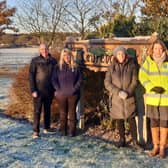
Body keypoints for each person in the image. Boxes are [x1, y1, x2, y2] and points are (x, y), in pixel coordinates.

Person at [104, 46, 141, 149]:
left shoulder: (132, 66)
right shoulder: (111, 67)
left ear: (125, 55)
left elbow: (135, 81)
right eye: (119, 54)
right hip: (117, 98)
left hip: (129, 98)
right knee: (119, 120)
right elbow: (107, 83)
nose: (121, 56)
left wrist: (128, 92)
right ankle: (122, 140)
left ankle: (135, 141)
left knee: (131, 120)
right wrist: (118, 92)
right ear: (116, 55)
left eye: (123, 54)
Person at [139, 39, 168, 158]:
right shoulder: (148, 62)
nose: (158, 51)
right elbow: (142, 77)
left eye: (160, 48)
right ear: (152, 50)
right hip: (152, 98)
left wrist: (165, 88)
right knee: (154, 123)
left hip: (166, 98)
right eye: (156, 48)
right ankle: (155, 146)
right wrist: (151, 87)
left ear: (164, 49)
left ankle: (162, 147)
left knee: (165, 123)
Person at [52, 48, 81, 137]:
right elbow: (53, 80)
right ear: (62, 57)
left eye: (68, 55)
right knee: (63, 114)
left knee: (72, 114)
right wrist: (58, 90)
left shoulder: (75, 66)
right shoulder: (57, 67)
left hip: (73, 94)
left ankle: (72, 131)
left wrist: (74, 89)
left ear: (70, 56)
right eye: (64, 55)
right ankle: (63, 131)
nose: (66, 57)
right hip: (61, 95)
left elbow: (80, 80)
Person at [29, 44, 57, 138]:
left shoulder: (53, 61)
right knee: (37, 111)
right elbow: (31, 76)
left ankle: (47, 127)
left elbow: (56, 75)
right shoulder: (35, 61)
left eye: (45, 49)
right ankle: (35, 131)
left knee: (47, 110)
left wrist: (56, 88)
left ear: (48, 49)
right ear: (39, 50)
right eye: (42, 49)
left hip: (50, 90)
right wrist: (33, 90)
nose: (44, 50)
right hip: (38, 91)